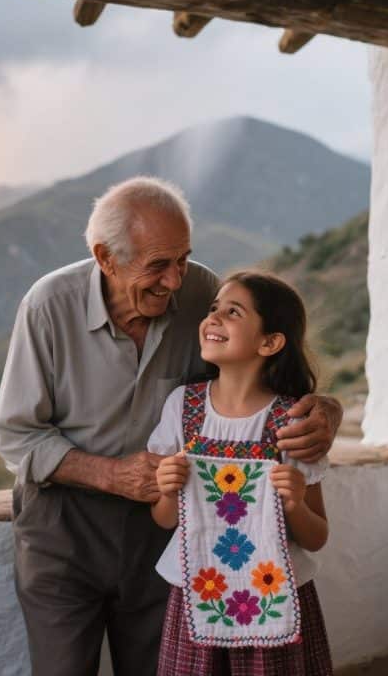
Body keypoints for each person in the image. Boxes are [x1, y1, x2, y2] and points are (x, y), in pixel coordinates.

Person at [0, 177, 341, 676]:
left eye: (183, 259)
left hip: (164, 530)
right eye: (158, 265)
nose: (175, 281)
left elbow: (260, 363)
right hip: (63, 527)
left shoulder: (201, 291)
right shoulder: (48, 305)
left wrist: (325, 409)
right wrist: (112, 475)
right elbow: (15, 435)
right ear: (106, 258)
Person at [150, 271, 332, 675]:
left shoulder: (294, 423)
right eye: (214, 308)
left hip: (273, 596)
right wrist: (167, 490)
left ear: (270, 342)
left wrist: (296, 503)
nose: (213, 318)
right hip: (198, 591)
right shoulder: (182, 407)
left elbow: (317, 537)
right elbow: (165, 519)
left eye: (233, 312)